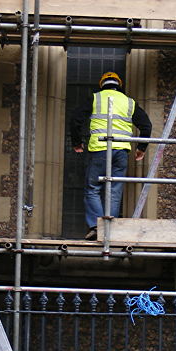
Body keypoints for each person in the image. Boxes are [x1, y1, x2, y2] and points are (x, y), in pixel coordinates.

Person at [70, 71, 152, 240]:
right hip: (121, 151)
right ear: (118, 85)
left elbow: (76, 119)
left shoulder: (95, 98)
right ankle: (109, 230)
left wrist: (77, 142)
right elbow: (146, 126)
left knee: (93, 188)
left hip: (100, 149)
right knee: (114, 190)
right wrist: (141, 148)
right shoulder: (129, 102)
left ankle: (96, 227)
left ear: (102, 84)